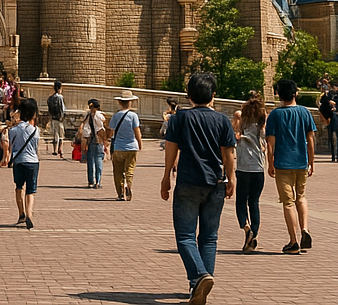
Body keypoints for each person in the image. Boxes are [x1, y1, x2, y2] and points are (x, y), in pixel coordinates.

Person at [160, 73, 236, 305]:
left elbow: (171, 149)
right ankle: (200, 285)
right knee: (209, 237)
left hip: (188, 182)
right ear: (214, 95)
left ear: (189, 96)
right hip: (215, 183)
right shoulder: (223, 120)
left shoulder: (179, 118)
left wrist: (166, 177)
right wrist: (231, 178)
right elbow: (229, 153)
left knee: (185, 236)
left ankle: (198, 277)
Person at [265, 79, 316, 255]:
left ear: (279, 94)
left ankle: (293, 241)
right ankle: (305, 229)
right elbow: (310, 139)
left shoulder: (275, 115)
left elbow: (270, 142)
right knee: (301, 197)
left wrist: (270, 163)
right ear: (295, 93)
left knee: (288, 203)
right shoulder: (304, 112)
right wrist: (311, 161)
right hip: (301, 161)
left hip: (282, 163)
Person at [232, 96, 267, 254]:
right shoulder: (261, 127)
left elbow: (234, 134)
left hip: (243, 169)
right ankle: (254, 231)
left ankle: (246, 227)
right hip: (258, 169)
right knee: (254, 202)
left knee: (241, 201)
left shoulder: (243, 127)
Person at [8, 98, 40, 230]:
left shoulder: (13, 130)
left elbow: (11, 147)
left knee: (19, 187)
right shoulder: (35, 130)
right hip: (32, 161)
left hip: (19, 161)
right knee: (31, 191)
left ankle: (21, 213)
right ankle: (29, 214)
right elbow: (36, 147)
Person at [108, 92, 143, 202]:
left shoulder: (116, 115)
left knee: (118, 171)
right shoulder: (133, 116)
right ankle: (128, 184)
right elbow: (137, 131)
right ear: (130, 102)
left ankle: (120, 193)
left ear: (119, 102)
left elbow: (110, 132)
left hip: (118, 147)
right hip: (132, 146)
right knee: (130, 169)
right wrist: (140, 143)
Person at [80, 99, 107, 190]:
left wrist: (85, 139)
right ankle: (98, 181)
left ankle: (90, 181)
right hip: (98, 139)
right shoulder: (100, 115)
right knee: (98, 159)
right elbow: (102, 127)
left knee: (90, 160)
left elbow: (85, 129)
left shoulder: (87, 115)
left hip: (90, 139)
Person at [46, 81, 66, 158]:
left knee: (55, 134)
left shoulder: (50, 98)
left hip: (53, 118)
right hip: (59, 118)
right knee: (61, 135)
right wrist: (62, 116)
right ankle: (60, 150)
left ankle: (54, 150)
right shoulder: (60, 97)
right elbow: (62, 108)